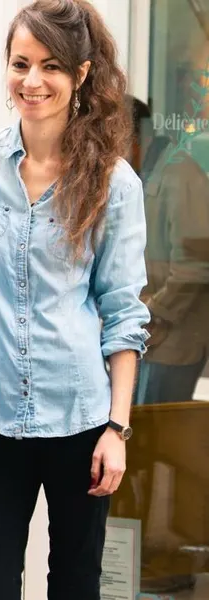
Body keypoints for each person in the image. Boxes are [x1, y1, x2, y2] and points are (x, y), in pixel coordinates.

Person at [0, 1, 151, 597]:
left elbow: (123, 312)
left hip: (82, 414)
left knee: (75, 582)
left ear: (81, 73)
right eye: (20, 63)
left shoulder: (115, 182)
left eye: (51, 67)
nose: (31, 82)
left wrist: (117, 427)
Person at [127, 96, 209, 405]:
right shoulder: (149, 176)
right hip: (154, 337)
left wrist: (147, 312)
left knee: (155, 442)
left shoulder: (179, 175)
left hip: (173, 343)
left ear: (131, 137)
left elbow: (195, 268)